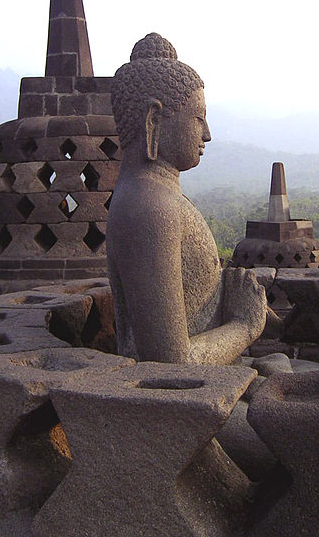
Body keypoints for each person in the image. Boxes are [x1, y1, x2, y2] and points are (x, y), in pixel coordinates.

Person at [108, 33, 266, 364]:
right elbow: (171, 361)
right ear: (154, 120)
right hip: (177, 400)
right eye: (198, 117)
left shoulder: (157, 196)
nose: (206, 132)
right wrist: (246, 325)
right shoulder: (149, 207)